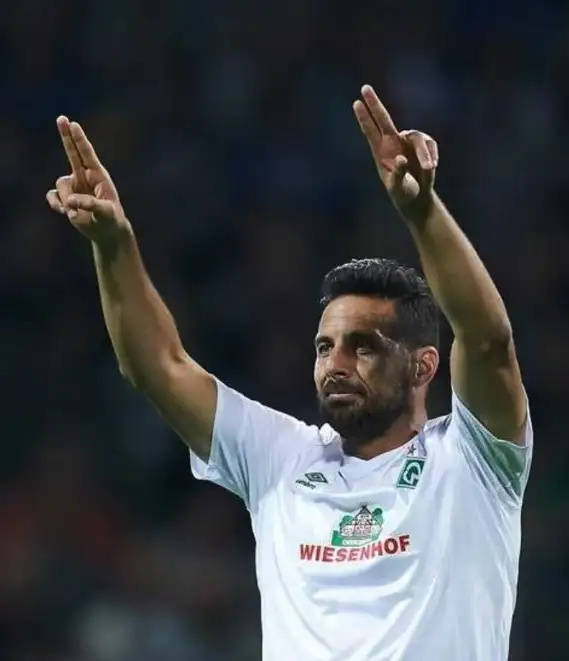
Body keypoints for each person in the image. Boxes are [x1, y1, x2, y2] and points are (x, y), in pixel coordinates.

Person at [46, 84, 532, 661]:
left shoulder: (473, 460)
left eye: (363, 347)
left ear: (424, 365)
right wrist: (113, 244)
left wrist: (422, 212)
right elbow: (158, 366)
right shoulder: (282, 459)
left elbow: (487, 340)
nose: (336, 364)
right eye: (325, 347)